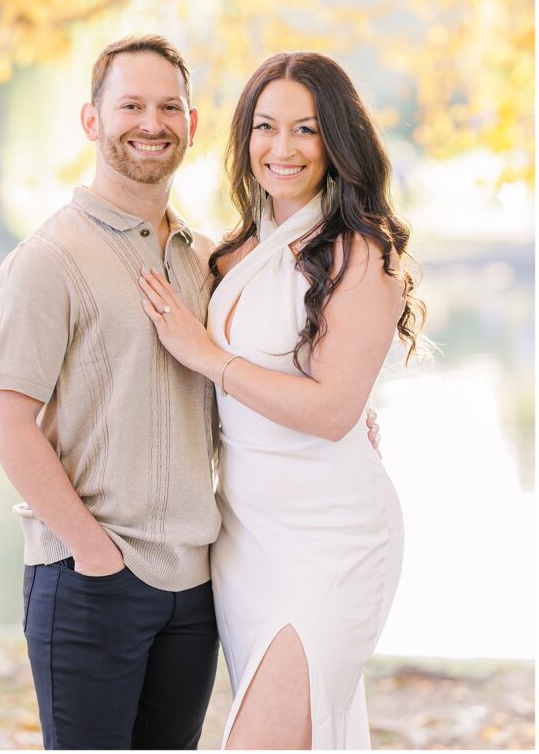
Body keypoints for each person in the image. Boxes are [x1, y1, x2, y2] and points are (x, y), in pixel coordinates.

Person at [0, 35, 382, 751]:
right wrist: (93, 552)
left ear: (193, 126)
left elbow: (290, 352)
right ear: (91, 120)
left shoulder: (204, 260)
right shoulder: (49, 259)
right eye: (130, 105)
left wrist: (351, 410)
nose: (151, 122)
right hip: (92, 575)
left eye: (169, 106)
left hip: (195, 583)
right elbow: (6, 421)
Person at [139, 51, 425, 750]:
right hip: (247, 538)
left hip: (332, 537)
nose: (282, 147)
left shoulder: (361, 253)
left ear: (337, 139)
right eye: (266, 127)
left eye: (305, 128)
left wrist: (211, 358)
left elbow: (329, 412)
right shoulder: (230, 253)